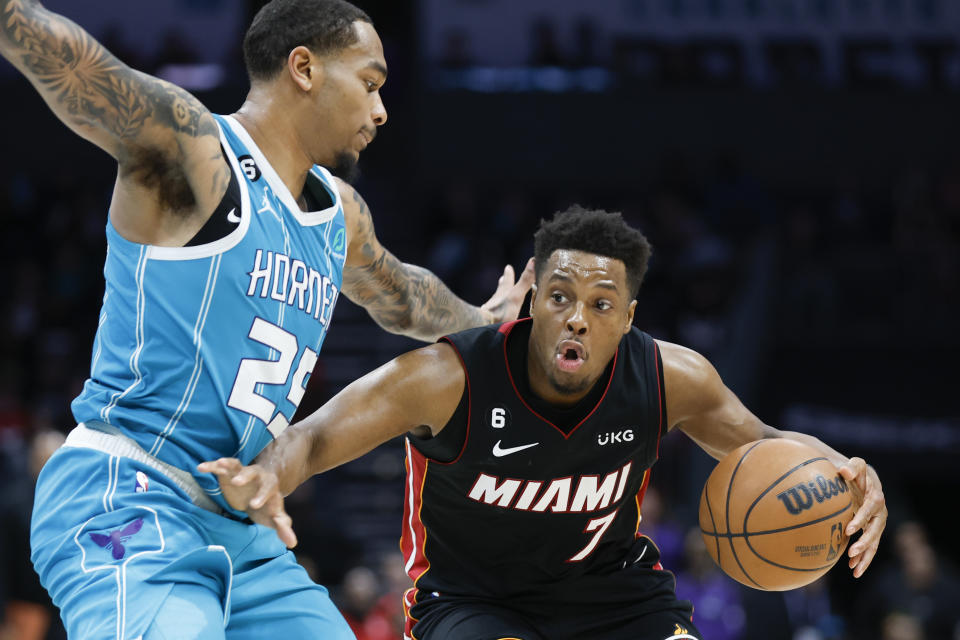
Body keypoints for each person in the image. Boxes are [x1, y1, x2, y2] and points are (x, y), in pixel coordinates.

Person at [0, 1, 533, 638]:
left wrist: (483, 318)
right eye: (369, 83)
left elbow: (401, 294)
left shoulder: (339, 215)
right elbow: (80, 68)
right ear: (304, 68)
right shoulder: (198, 153)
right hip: (129, 490)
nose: (382, 109)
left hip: (240, 521)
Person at [201, 206, 889, 640]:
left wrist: (856, 475)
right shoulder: (448, 378)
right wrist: (266, 475)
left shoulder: (669, 378)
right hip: (473, 600)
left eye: (600, 302)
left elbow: (769, 446)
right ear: (532, 298)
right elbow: (316, 436)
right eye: (559, 296)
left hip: (612, 594)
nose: (576, 317)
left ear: (628, 316)